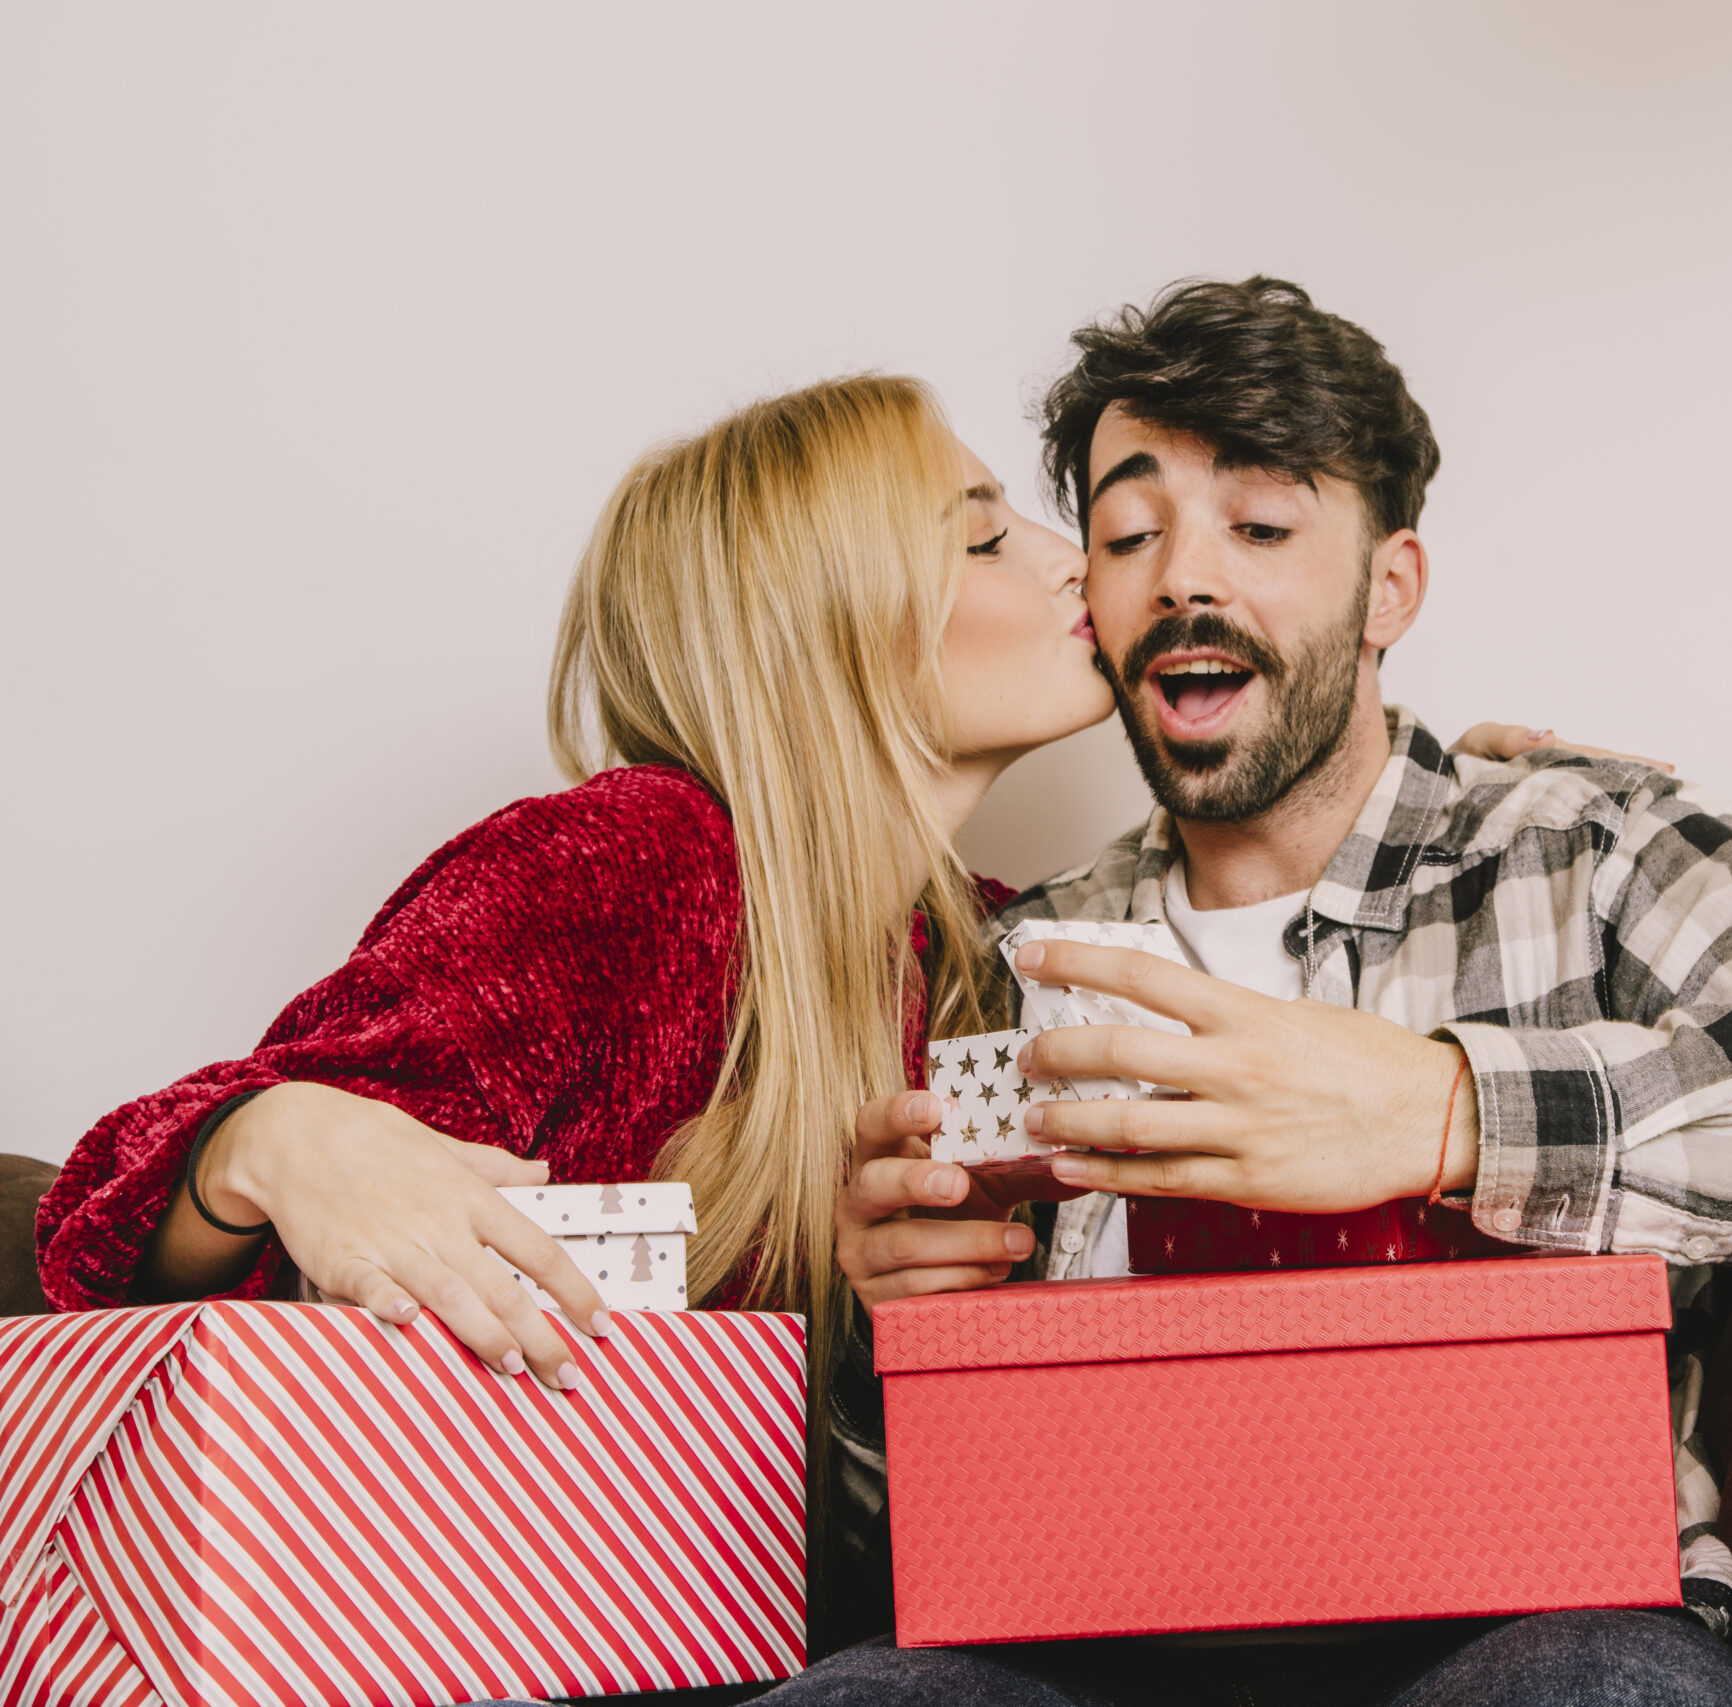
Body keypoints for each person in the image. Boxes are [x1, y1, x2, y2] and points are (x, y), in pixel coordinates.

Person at [34, 367, 1579, 1669]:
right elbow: (100, 1225)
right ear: (826, 622)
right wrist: (279, 1137)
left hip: (776, 1641)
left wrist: (1431, 795)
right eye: (985, 537)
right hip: (468, 1634)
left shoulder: (992, 945)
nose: (1072, 563)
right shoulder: (636, 861)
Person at [799, 280, 1732, 1706]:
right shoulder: (1015, 956)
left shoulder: (1586, 848)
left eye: (1262, 528)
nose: (1183, 582)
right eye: (1128, 533)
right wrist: (881, 1344)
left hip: (1528, 1625)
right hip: (1098, 1649)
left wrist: (1453, 1111)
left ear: (1389, 586)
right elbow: (900, 1542)